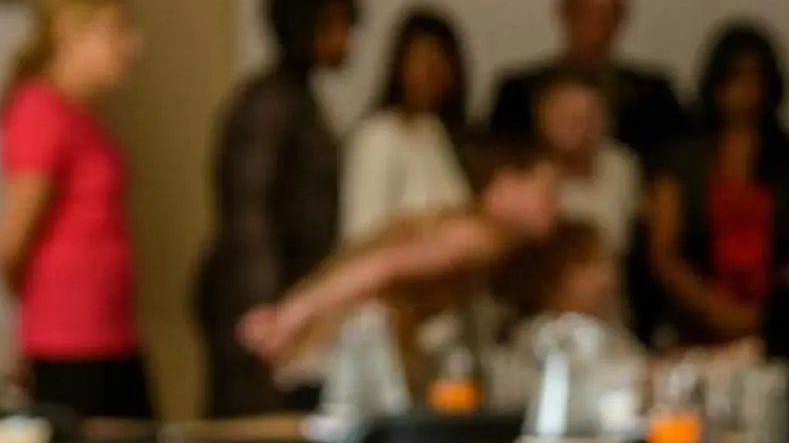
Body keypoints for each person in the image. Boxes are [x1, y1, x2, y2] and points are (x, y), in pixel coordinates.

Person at [231, 146, 568, 375]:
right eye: (545, 192)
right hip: (341, 349)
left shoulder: (493, 247)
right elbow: (382, 267)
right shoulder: (473, 237)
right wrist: (290, 317)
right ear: (504, 183)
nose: (553, 208)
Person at [195, 0, 361, 415]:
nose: (347, 39)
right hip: (255, 304)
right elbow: (249, 214)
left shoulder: (299, 98)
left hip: (290, 297)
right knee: (257, 431)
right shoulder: (269, 103)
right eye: (337, 24)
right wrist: (267, 315)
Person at [0, 0, 152, 422]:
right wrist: (47, 311)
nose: (131, 45)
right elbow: (9, 245)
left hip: (113, 334)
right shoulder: (40, 112)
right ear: (70, 31)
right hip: (69, 344)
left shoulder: (84, 118)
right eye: (117, 28)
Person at [647, 22, 789, 345]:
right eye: (735, 77)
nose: (746, 90)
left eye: (756, 78)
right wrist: (715, 308)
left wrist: (766, 311)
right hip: (692, 324)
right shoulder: (680, 157)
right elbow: (665, 255)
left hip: (775, 324)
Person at [484, 0, 688, 171]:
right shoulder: (516, 92)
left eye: (608, 12)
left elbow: (671, 168)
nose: (597, 22)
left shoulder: (655, 94)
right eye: (586, 10)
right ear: (564, 11)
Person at [341, 7, 473, 242]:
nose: (430, 74)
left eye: (440, 64)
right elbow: (361, 236)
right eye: (421, 61)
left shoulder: (435, 132)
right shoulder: (378, 135)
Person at [534, 68, 642, 259]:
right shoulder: (525, 177)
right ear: (541, 117)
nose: (578, 126)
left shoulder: (621, 165)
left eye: (589, 116)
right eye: (566, 115)